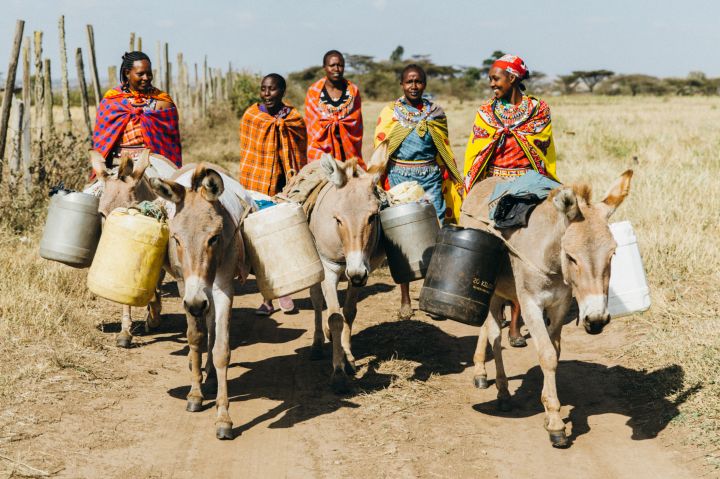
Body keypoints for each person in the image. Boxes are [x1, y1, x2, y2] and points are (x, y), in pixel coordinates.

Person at [463, 54, 558, 347]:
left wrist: (514, 135)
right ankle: (486, 305)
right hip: (493, 185)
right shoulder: (485, 112)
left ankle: (517, 322)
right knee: (487, 246)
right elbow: (478, 145)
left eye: (496, 78)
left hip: (528, 184)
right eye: (491, 79)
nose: (491, 84)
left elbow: (540, 143)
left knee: (528, 249)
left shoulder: (539, 110)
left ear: (513, 78)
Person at [374, 64, 463, 319]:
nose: (414, 86)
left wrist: (456, 179)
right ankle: (404, 298)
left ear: (425, 84)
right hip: (399, 178)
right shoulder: (390, 113)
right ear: (401, 84)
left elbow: (444, 148)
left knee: (435, 236)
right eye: (409, 82)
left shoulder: (436, 113)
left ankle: (430, 293)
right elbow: (381, 148)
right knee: (402, 239)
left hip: (431, 178)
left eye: (419, 82)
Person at [238, 73, 307, 316]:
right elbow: (249, 155)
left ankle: (285, 290)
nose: (267, 94)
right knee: (262, 241)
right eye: (264, 89)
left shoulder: (294, 118)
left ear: (282, 91)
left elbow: (299, 154)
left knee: (285, 237)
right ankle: (268, 297)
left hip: (284, 186)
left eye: (273, 89)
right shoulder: (252, 117)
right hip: (257, 185)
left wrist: (293, 183)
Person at [93, 51, 182, 168]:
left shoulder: (162, 101)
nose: (146, 78)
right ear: (127, 73)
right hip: (118, 166)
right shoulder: (112, 101)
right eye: (140, 74)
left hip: (154, 166)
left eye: (149, 74)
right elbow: (103, 143)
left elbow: (170, 145)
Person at [304, 50, 363, 164]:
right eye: (332, 65)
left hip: (347, 148)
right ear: (324, 67)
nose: (336, 69)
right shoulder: (314, 92)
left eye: (340, 65)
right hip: (321, 151)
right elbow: (312, 127)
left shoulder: (353, 91)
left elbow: (356, 123)